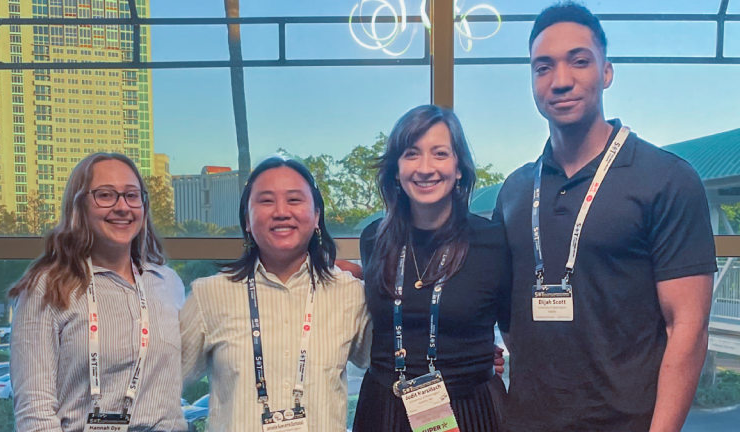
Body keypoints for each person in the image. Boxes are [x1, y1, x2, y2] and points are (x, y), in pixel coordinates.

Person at [493, 3, 717, 431]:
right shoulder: (516, 191)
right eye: (544, 67)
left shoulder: (666, 178)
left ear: (607, 72)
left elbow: (687, 328)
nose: (561, 81)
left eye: (579, 61)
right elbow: (506, 312)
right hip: (524, 421)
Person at [180, 156, 371, 432]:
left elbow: (386, 367)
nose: (281, 211)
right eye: (266, 201)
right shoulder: (208, 295)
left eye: (294, 200)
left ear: (316, 215)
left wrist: (374, 277)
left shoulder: (350, 294)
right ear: (247, 219)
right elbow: (161, 387)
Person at [353, 104, 511, 432]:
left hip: (470, 409)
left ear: (459, 168)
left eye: (440, 153)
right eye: (412, 154)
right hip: (383, 408)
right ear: (396, 169)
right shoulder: (373, 239)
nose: (425, 168)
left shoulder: (494, 241)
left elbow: (517, 334)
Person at [9, 153, 187, 432]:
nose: (122, 207)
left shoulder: (168, 283)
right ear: (79, 205)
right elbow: (35, 411)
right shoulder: (47, 286)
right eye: (105, 195)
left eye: (131, 195)